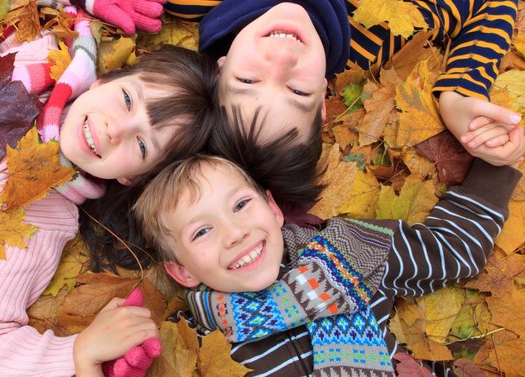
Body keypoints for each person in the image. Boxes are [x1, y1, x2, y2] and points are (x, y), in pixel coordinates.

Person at [0, 2, 219, 376]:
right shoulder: (40, 54)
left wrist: (80, 351)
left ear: (133, 177)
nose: (117, 129)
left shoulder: (43, 219)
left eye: (143, 145)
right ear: (104, 80)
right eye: (128, 100)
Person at [132, 153, 522, 376]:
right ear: (181, 270)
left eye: (240, 205)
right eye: (201, 232)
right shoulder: (190, 349)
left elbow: (451, 251)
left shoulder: (352, 250)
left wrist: (497, 165)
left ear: (272, 208)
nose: (234, 233)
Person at [165, 0, 525, 167]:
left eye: (247, 79)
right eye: (297, 91)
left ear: (220, 68)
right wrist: (460, 93)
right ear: (322, 98)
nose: (282, 59)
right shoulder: (374, 36)